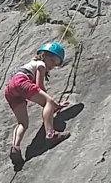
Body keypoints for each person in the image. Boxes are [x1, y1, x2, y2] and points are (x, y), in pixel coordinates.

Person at [4, 42, 71, 170]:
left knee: (23, 123)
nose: (52, 66)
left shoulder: (29, 65)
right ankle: (50, 134)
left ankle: (16, 147)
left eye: (55, 64)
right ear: (43, 55)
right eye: (51, 61)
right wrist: (54, 103)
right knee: (48, 102)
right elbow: (40, 87)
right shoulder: (40, 64)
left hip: (10, 89)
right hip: (21, 82)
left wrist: (53, 104)